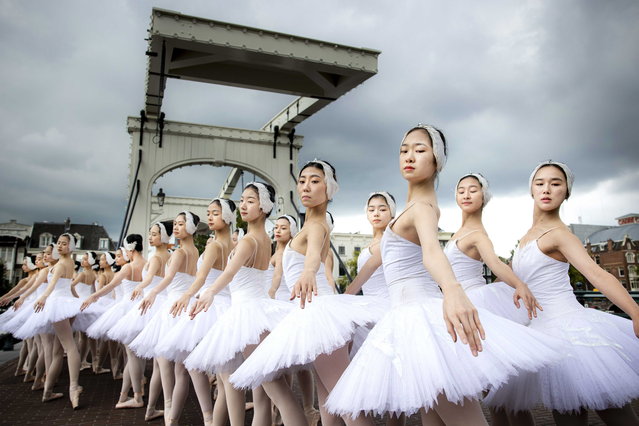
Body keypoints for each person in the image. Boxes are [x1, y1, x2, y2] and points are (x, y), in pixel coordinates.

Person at [326, 124, 561, 425]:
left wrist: (452, 290)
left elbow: (432, 253)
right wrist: (345, 299)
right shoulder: (410, 208)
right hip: (404, 317)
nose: (409, 155)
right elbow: (375, 262)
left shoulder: (423, 207)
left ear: (437, 160)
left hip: (422, 317)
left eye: (420, 150)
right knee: (432, 416)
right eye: (404, 150)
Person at [484, 161, 639, 426]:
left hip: (573, 330)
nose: (547, 189)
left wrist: (634, 311)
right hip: (542, 334)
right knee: (566, 414)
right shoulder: (526, 237)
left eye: (556, 184)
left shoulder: (560, 234)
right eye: (540, 183)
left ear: (566, 193)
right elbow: (505, 280)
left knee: (615, 413)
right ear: (531, 190)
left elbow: (597, 274)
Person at [231, 161, 385, 426]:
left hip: (320, 313)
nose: (305, 187)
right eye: (302, 181)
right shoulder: (311, 224)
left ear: (329, 189)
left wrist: (309, 271)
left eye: (315, 181)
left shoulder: (315, 226)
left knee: (344, 401)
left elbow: (313, 255)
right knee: (330, 401)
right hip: (320, 312)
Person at [186, 183, 305, 426]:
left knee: (276, 392)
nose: (243, 205)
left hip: (247, 314)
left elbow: (229, 273)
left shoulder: (249, 240)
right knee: (264, 396)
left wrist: (209, 292)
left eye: (250, 200)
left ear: (264, 206)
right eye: (242, 200)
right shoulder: (264, 239)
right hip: (259, 311)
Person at [158, 199, 235, 425]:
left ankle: (205, 418)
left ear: (228, 216)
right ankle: (210, 418)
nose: (210, 217)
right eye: (208, 213)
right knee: (222, 375)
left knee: (198, 367)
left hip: (209, 305)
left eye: (215, 213)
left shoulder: (213, 246)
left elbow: (201, 278)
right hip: (225, 305)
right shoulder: (233, 245)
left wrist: (186, 295)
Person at [130, 212, 200, 424]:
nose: (177, 227)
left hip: (171, 308)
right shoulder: (196, 251)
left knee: (163, 365)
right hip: (183, 307)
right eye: (175, 225)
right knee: (179, 369)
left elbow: (167, 278)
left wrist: (150, 291)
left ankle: (165, 409)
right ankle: (166, 412)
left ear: (190, 227)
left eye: (181, 224)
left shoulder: (177, 254)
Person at [82, 236, 146, 408]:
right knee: (136, 355)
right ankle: (125, 395)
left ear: (130, 250)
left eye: (124, 250)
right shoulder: (147, 264)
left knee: (131, 356)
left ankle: (137, 396)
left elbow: (110, 287)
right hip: (143, 309)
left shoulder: (128, 267)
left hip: (127, 310)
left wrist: (93, 296)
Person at [27, 234, 83, 408]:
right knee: (59, 350)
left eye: (64, 244)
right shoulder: (69, 263)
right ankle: (48, 391)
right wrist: (79, 301)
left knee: (68, 347)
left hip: (59, 304)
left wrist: (43, 297)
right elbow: (68, 286)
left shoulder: (61, 264)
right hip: (68, 303)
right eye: (58, 243)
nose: (59, 246)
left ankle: (73, 388)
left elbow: (52, 286)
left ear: (71, 247)